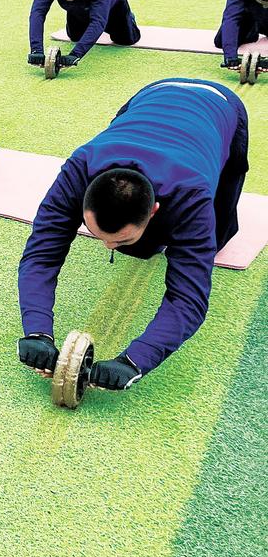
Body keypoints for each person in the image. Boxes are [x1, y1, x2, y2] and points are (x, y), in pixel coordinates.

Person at [17, 78, 249, 389]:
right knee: (140, 248)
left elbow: (188, 299)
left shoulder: (192, 197)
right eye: (96, 233)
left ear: (154, 210)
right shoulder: (78, 170)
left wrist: (135, 360)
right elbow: (41, 256)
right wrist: (37, 331)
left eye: (119, 239)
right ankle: (138, 239)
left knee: (217, 238)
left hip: (222, 106)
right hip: (153, 92)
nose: (108, 246)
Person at [27, 0, 141, 70]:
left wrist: (76, 54)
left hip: (112, 5)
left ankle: (129, 19)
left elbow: (98, 21)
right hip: (78, 6)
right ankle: (81, 14)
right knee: (76, 37)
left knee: (125, 40)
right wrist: (36, 50)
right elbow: (38, 12)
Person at [214, 0, 268, 67]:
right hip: (253, 12)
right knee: (220, 41)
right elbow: (231, 16)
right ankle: (253, 29)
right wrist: (230, 56)